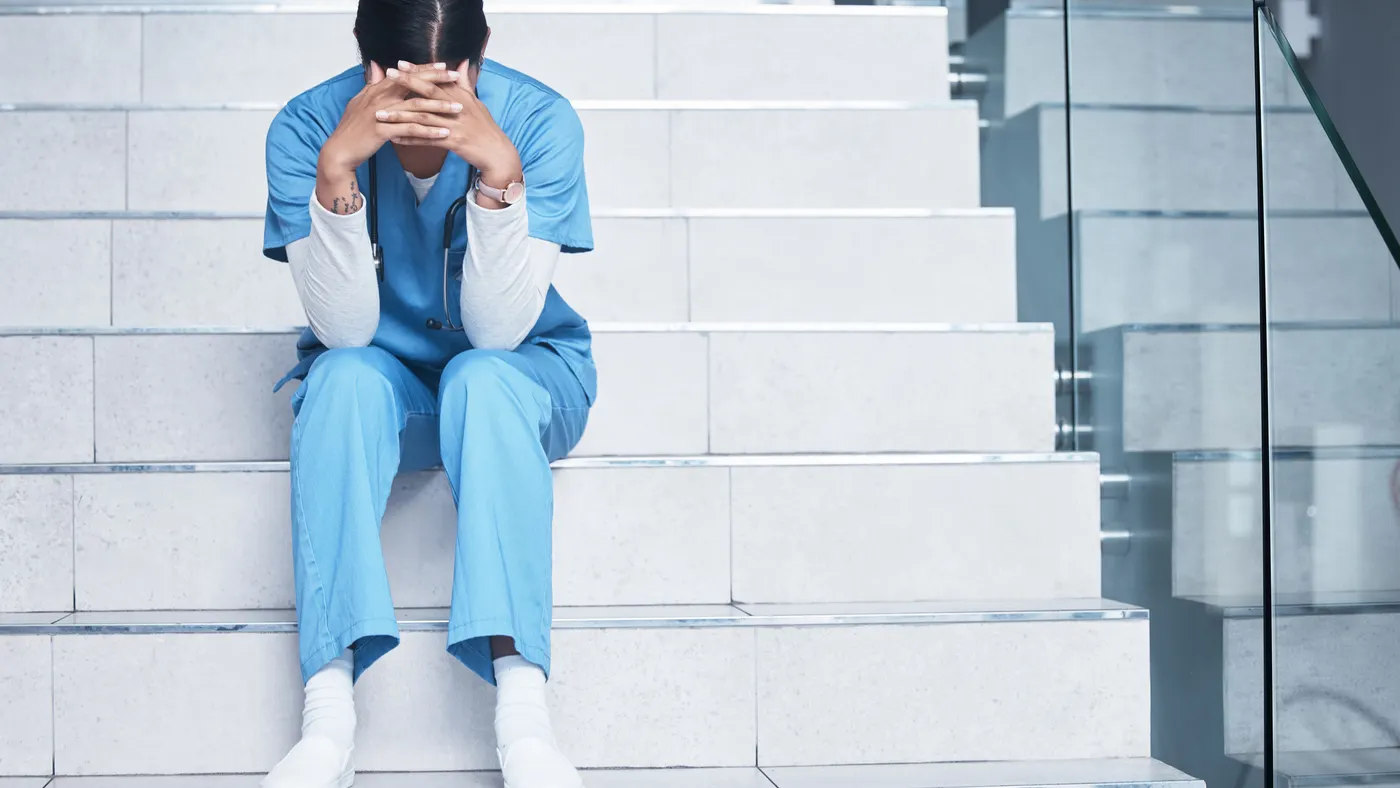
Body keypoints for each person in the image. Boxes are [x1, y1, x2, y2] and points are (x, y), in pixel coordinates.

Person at [259, 0, 595, 784]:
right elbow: (343, 333)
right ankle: (326, 720)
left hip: (522, 371)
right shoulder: (307, 128)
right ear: (365, 63)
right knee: (338, 379)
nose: (423, 119)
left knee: (480, 380)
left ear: (479, 64)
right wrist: (337, 175)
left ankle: (525, 722)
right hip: (382, 379)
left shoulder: (539, 122)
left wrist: (499, 179)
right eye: (404, 90)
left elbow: (499, 332)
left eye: (450, 86)